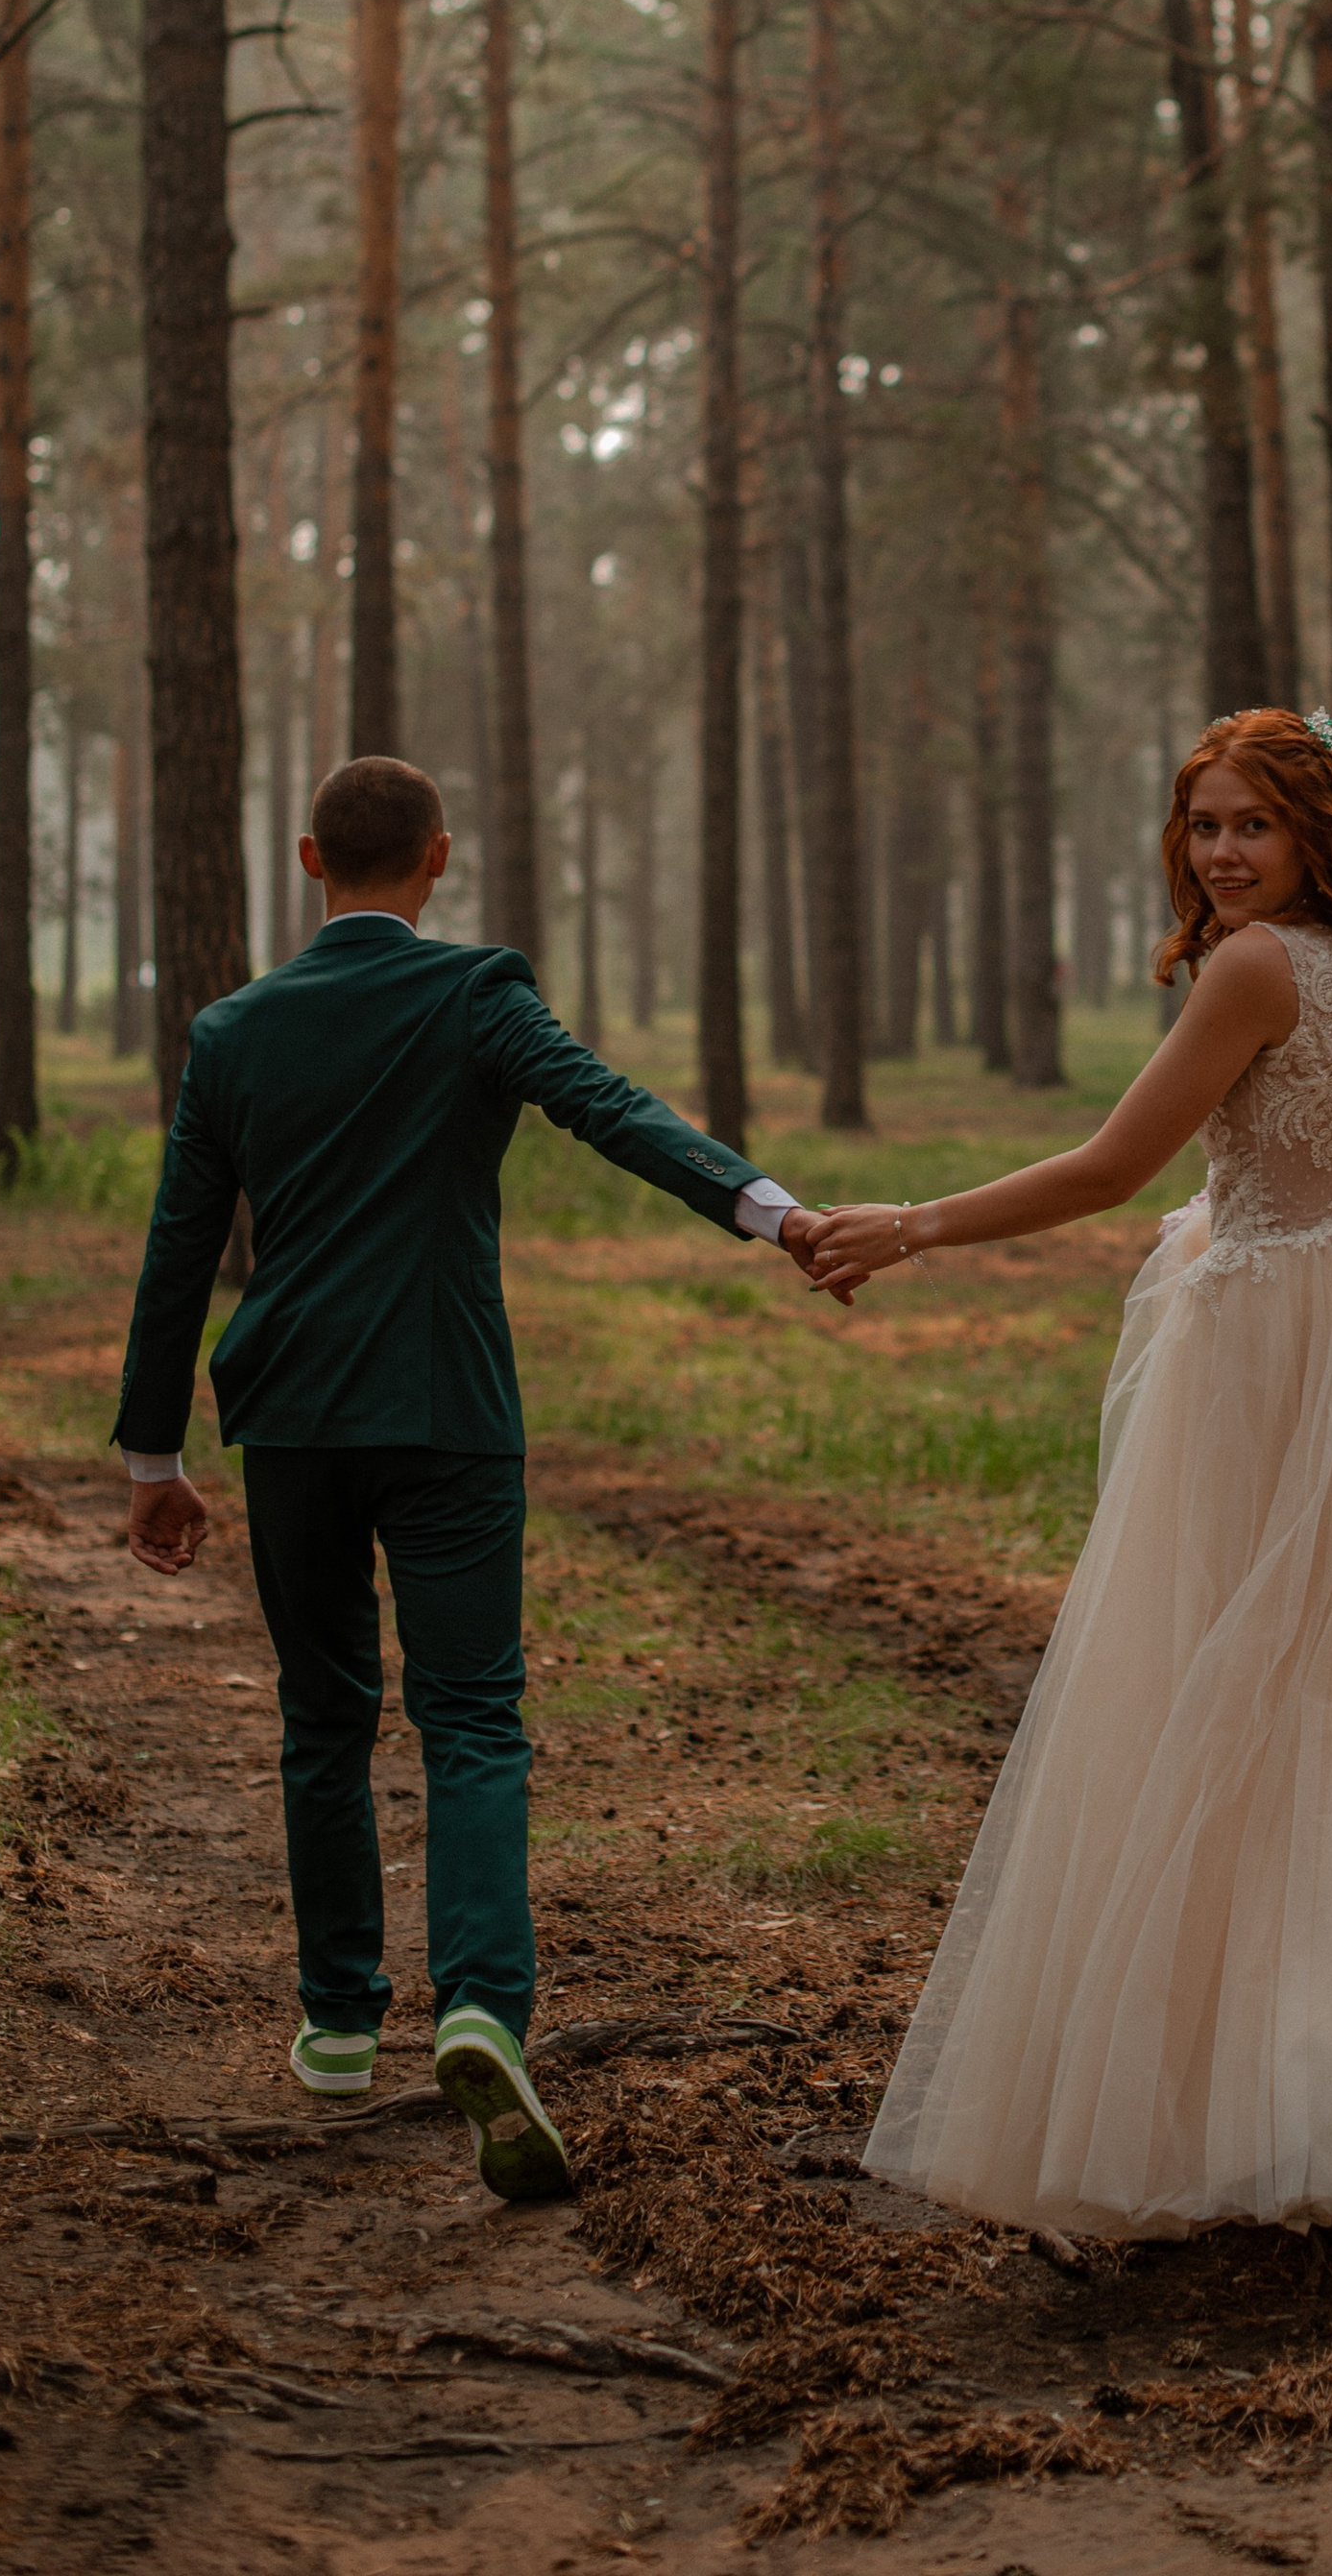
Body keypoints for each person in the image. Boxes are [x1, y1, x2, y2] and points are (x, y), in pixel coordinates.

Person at [811, 707, 1332, 2255]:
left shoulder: (1258, 967)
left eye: (1250, 827)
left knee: (1242, 1681)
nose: (1220, 852)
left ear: (1311, 833)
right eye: (1202, 824)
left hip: (1278, 1358)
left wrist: (915, 1224)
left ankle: (1274, 2111)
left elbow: (1110, 1170)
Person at [113, 755, 826, 2199]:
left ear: (311, 862)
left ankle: (331, 2023)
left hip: (295, 1416)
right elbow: (606, 1108)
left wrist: (152, 1456)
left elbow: (181, 1246)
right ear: (437, 859)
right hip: (444, 1407)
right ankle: (485, 2008)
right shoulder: (475, 995)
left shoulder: (235, 1032)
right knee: (473, 1718)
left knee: (324, 1714)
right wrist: (769, 1212)